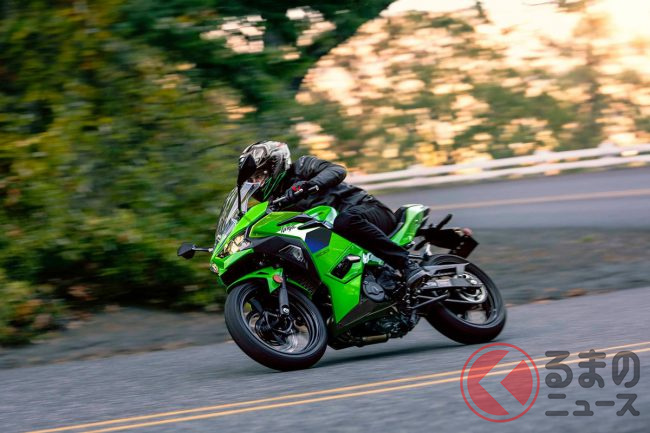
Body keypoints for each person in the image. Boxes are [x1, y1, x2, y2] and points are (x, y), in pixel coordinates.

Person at [239, 140, 428, 289]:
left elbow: (337, 170)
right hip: (335, 237)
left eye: (259, 176)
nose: (257, 183)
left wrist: (310, 185)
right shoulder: (275, 203)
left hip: (367, 210)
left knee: (345, 221)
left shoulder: (302, 166)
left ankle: (406, 265)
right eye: (253, 180)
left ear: (273, 165)